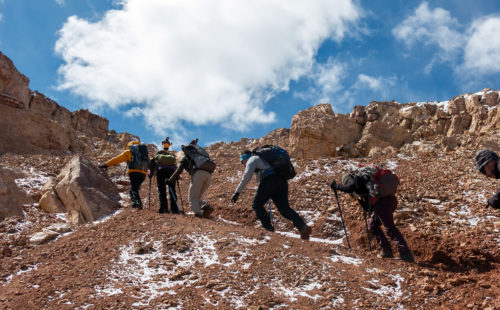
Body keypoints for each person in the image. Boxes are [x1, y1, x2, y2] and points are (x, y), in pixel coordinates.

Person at [331, 168, 414, 262]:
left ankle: (405, 253)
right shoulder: (364, 184)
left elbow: (349, 188)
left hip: (383, 203)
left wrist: (336, 186)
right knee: (372, 226)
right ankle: (387, 251)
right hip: (389, 201)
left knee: (390, 228)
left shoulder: (355, 180)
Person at [231, 150, 312, 240]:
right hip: (282, 181)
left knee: (256, 204)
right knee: (285, 209)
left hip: (270, 180)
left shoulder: (252, 159)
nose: (243, 164)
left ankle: (268, 228)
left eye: (242, 162)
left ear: (245, 158)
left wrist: (237, 192)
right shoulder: (262, 160)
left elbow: (246, 176)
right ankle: (302, 226)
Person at [167, 139, 213, 218]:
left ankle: (198, 214)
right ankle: (206, 206)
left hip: (198, 174)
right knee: (196, 197)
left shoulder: (185, 157)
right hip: (208, 175)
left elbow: (178, 170)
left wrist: (170, 180)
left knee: (192, 198)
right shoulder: (199, 155)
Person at [100, 141, 148, 209]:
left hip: (134, 172)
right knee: (134, 189)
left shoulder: (129, 152)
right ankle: (134, 204)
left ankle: (138, 203)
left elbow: (117, 159)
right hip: (143, 173)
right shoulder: (143, 153)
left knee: (134, 189)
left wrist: (106, 164)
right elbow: (148, 163)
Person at [149, 137, 179, 214]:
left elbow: (153, 163)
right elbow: (175, 164)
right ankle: (174, 209)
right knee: (172, 189)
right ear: (169, 145)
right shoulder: (171, 154)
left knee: (162, 190)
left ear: (163, 145)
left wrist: (151, 173)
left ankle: (163, 209)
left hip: (161, 171)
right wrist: (177, 175)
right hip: (171, 171)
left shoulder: (159, 153)